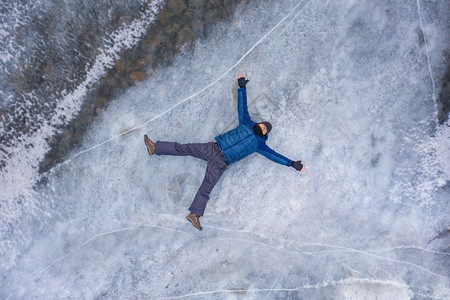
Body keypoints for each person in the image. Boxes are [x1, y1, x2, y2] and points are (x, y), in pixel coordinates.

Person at [144, 74, 306, 230]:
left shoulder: (260, 145)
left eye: (265, 130)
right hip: (213, 148)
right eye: (263, 125)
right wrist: (241, 87)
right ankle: (155, 148)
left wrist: (292, 164)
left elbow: (274, 156)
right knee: (183, 148)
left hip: (221, 163)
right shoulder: (246, 123)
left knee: (206, 189)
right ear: (260, 123)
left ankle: (195, 215)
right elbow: (242, 106)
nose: (262, 128)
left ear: (265, 134)